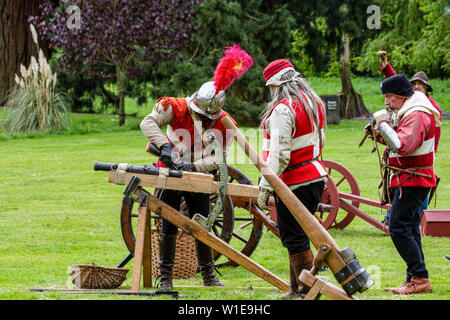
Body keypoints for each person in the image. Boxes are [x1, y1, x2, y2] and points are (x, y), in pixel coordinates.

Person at [140, 81, 238, 291]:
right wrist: (165, 146)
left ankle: (208, 275)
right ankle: (165, 279)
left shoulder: (225, 122)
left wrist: (192, 165)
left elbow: (221, 159)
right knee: (168, 224)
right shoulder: (174, 107)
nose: (202, 118)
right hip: (171, 175)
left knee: (202, 224)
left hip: (198, 176)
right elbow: (147, 123)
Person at [257, 59, 327, 299]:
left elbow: (279, 154)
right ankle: (295, 288)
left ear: (275, 85)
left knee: (294, 236)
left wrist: (265, 187)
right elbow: (321, 141)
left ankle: (306, 292)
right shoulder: (313, 103)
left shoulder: (283, 109)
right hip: (315, 175)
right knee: (296, 234)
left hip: (294, 181)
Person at [372, 73, 440, 294]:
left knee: (399, 227)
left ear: (401, 95)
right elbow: (401, 142)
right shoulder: (413, 111)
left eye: (389, 97)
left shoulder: (416, 115)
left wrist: (382, 124)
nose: (387, 102)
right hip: (411, 179)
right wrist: (381, 133)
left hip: (413, 180)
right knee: (409, 228)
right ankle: (416, 278)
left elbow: (403, 145)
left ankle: (419, 278)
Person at [377, 51, 442, 224]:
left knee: (411, 211)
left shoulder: (425, 108)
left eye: (421, 84)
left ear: (426, 88)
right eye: (416, 83)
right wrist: (386, 67)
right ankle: (397, 218)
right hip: (411, 159)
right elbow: (395, 85)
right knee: (403, 214)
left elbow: (407, 142)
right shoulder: (410, 102)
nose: (418, 86)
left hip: (421, 158)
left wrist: (429, 153)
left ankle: (420, 218)